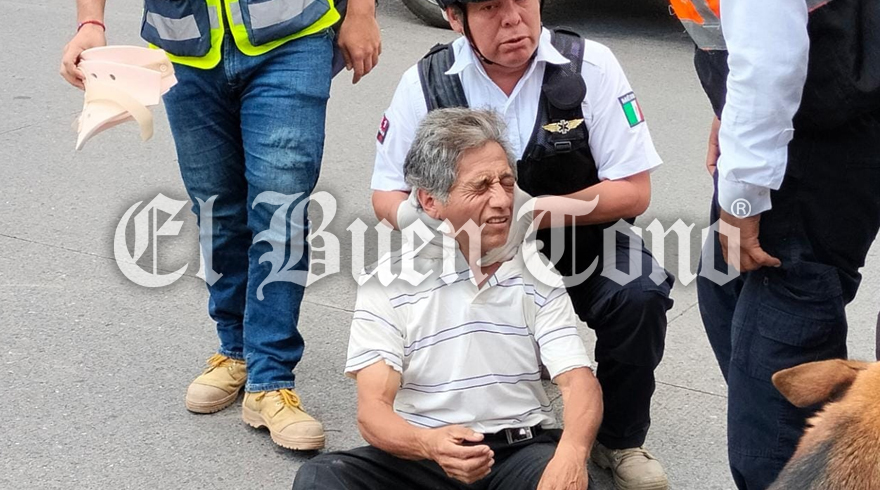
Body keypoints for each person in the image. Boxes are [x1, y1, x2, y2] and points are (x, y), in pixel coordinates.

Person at [369, 1, 674, 488]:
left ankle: (619, 439)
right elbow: (386, 192)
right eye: (491, 6)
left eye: (522, 1)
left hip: (581, 236)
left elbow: (633, 190)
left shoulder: (590, 66)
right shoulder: (426, 83)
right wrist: (430, 228)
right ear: (455, 18)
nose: (512, 18)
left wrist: (533, 212)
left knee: (640, 292)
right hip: (471, 246)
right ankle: (455, 424)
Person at [60, 0, 382, 450]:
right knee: (216, 210)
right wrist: (90, 23)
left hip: (290, 37)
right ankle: (236, 349)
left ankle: (270, 378)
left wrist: (361, 11)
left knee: (280, 210)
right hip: (186, 49)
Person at [294, 107, 602, 490]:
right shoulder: (386, 282)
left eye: (506, 182)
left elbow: (578, 382)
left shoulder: (535, 273)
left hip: (518, 451)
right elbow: (373, 412)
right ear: (430, 201)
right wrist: (429, 444)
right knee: (321, 478)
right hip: (422, 454)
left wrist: (572, 454)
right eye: (481, 186)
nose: (502, 200)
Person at [669, 0, 880, 487]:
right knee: (723, 288)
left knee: (775, 360)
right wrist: (729, 108)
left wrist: (743, 192)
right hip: (791, 113)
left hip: (818, 134)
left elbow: (769, 56)